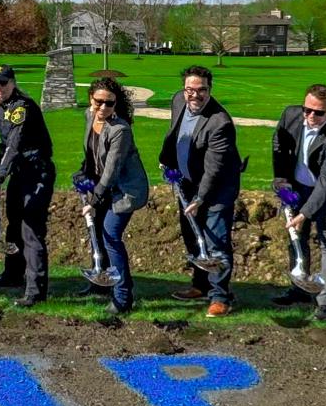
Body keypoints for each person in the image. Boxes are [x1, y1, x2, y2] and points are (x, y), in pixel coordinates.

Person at [157, 65, 242, 317]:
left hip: (217, 188)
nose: (194, 96)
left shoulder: (219, 122)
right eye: (190, 90)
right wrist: (167, 160)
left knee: (216, 240)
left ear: (210, 89)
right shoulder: (177, 101)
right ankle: (201, 285)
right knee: (192, 235)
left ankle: (220, 297)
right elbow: (174, 134)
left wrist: (199, 199)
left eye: (201, 90)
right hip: (187, 181)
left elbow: (214, 170)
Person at [271, 83, 326, 322]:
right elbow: (278, 144)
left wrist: (304, 213)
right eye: (307, 110)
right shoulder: (290, 115)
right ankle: (299, 287)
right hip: (298, 188)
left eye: (319, 113)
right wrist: (281, 179)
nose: (310, 116)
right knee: (297, 240)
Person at [0, 65, 55, 307]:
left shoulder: (21, 108)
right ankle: (13, 275)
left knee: (30, 228)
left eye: (3, 83)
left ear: (13, 82)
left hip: (36, 172)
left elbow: (15, 145)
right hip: (19, 172)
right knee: (13, 224)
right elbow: (4, 147)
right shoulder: (3, 109)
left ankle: (36, 290)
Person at [80, 76, 149, 315]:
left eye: (109, 104)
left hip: (125, 191)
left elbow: (111, 169)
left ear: (115, 105)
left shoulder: (120, 130)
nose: (103, 108)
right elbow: (91, 152)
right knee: (97, 233)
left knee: (110, 236)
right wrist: (83, 171)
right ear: (91, 99)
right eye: (99, 101)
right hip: (105, 187)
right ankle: (100, 284)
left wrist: (93, 199)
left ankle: (122, 296)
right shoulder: (90, 117)